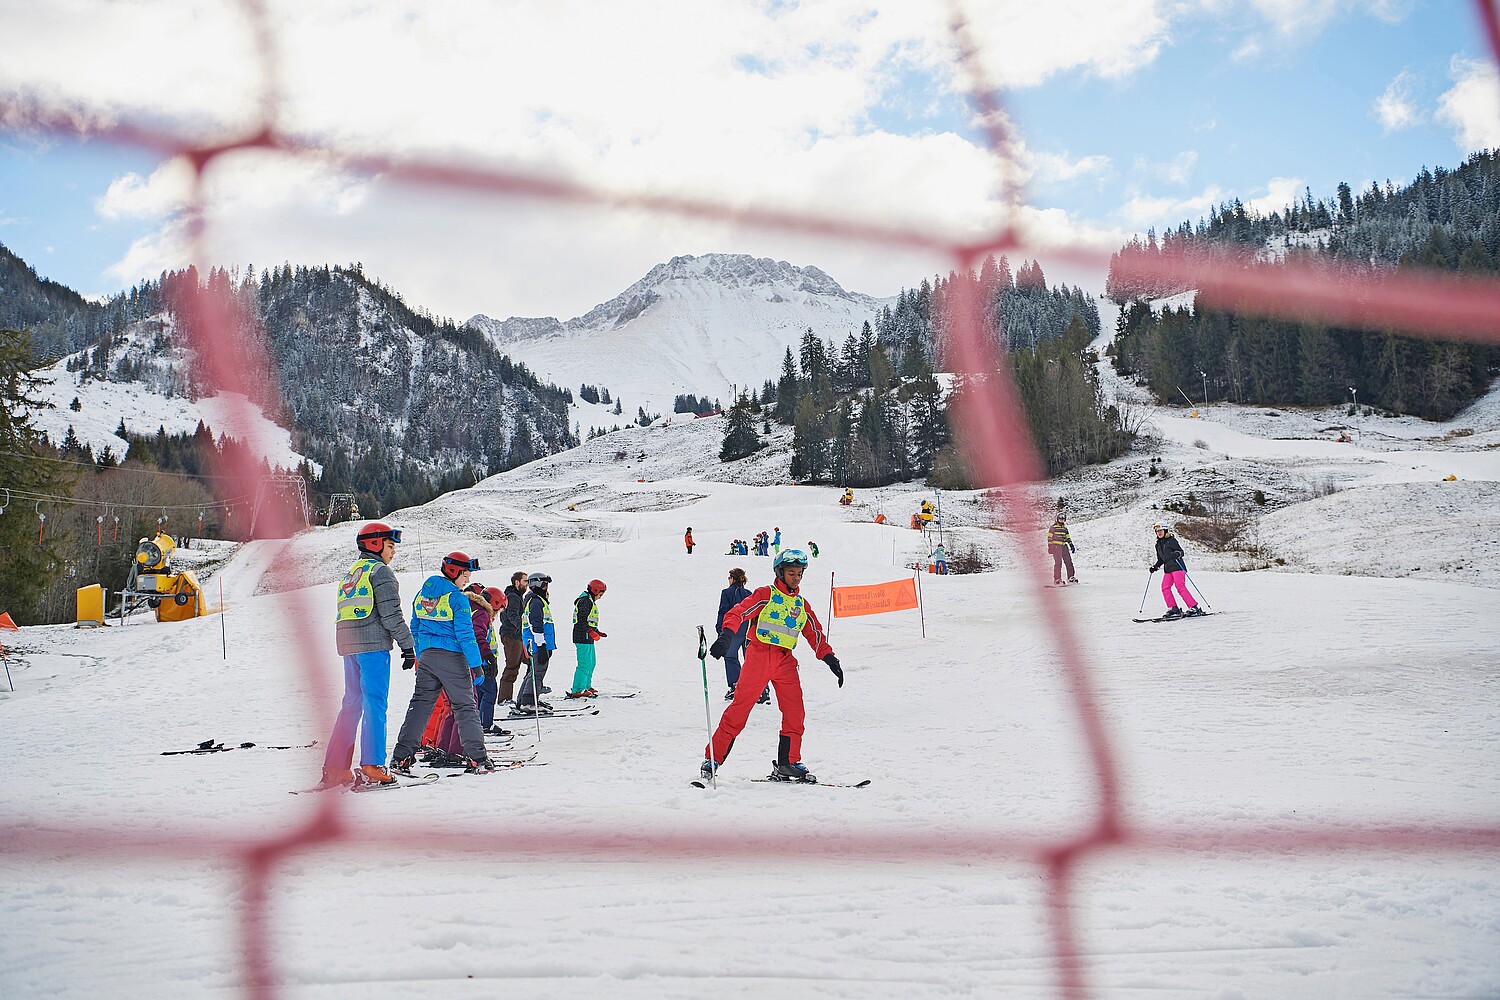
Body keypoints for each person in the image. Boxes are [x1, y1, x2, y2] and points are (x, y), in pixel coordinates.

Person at [704, 549, 843, 782]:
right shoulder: (765, 595)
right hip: (759, 656)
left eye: (800, 573)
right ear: (780, 572)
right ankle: (713, 759)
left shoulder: (801, 605)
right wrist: (727, 635)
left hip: (785, 660)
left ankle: (788, 762)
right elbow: (739, 612)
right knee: (739, 710)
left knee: (795, 712)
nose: (796, 577)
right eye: (791, 573)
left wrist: (830, 658)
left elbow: (815, 634)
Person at [318, 521, 416, 790]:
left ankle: (336, 768)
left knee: (351, 704)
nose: (393, 551)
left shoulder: (353, 572)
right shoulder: (380, 572)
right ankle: (373, 767)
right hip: (372, 647)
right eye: (390, 545)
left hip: (349, 646)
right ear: (376, 544)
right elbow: (391, 615)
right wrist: (408, 645)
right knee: (375, 703)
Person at [390, 551, 496, 775]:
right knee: (465, 707)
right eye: (465, 574)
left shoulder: (422, 595)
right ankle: (477, 758)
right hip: (453, 659)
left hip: (428, 657)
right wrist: (476, 665)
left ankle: (401, 757)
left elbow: (415, 627)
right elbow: (466, 635)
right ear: (454, 571)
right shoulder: (457, 599)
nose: (467, 580)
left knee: (420, 706)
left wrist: (422, 655)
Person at [515, 571, 556, 714]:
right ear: (537, 584)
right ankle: (528, 703)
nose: (546, 588)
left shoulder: (534, 600)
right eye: (544, 585)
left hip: (535, 643)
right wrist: (542, 644)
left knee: (533, 672)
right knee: (538, 672)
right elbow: (535, 624)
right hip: (537, 643)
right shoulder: (535, 601)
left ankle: (523, 700)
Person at [1150, 523, 1202, 619]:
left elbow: (1181, 552)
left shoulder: (1171, 540)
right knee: (1165, 587)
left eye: (1161, 531)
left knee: (1180, 587)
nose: (1159, 533)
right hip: (1168, 569)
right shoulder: (1158, 544)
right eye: (1157, 531)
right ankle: (1173, 609)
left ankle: (1194, 607)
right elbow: (1161, 559)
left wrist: (1176, 554)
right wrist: (1155, 567)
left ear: (1165, 531)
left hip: (1177, 567)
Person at [494, 571, 527, 718]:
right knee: (512, 666)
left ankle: (528, 694)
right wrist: (522, 627)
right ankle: (504, 698)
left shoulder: (517, 596)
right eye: (525, 581)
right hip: (511, 636)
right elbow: (512, 615)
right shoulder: (513, 597)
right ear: (517, 582)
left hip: (517, 635)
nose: (527, 584)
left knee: (532, 661)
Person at [716, 567, 752, 701]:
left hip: (734, 630)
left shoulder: (727, 592)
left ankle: (736, 686)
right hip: (749, 630)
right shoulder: (749, 593)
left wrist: (720, 628)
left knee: (730, 656)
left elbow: (723, 611)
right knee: (752, 659)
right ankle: (761, 690)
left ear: (732, 579)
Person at [567, 579, 607, 698]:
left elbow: (589, 620)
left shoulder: (589, 601)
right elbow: (581, 620)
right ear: (595, 590)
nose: (600, 597)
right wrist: (590, 631)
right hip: (582, 636)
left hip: (588, 636)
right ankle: (578, 689)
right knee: (584, 663)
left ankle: (586, 686)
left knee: (591, 662)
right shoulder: (585, 601)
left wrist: (596, 631)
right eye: (600, 594)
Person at [1048, 514, 1076, 585]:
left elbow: (1068, 537)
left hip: (1064, 546)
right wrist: (1050, 546)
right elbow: (1049, 537)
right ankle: (1057, 579)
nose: (1061, 520)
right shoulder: (1053, 527)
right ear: (1057, 519)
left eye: (1063, 519)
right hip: (1056, 546)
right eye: (1060, 519)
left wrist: (1071, 545)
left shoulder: (1065, 529)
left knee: (1068, 561)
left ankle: (1071, 577)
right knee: (1058, 562)